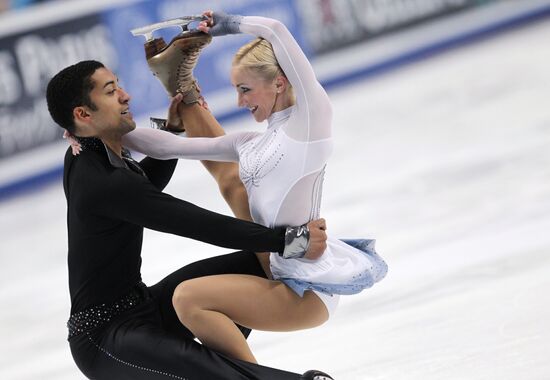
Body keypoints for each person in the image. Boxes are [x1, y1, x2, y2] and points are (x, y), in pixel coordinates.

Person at [118, 11, 388, 365]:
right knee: (232, 182)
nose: (240, 102)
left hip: (307, 288)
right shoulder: (249, 143)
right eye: (236, 90)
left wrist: (225, 24)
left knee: (188, 298)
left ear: (278, 83)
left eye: (245, 90)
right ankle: (181, 86)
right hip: (279, 261)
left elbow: (274, 29)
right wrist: (101, 128)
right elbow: (167, 147)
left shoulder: (310, 123)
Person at [46, 59, 333, 379]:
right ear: (83, 115)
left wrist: (170, 130)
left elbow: (143, 185)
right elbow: (196, 223)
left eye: (119, 84)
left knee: (257, 264)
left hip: (146, 305)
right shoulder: (102, 182)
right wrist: (291, 241)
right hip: (107, 339)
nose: (126, 96)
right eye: (111, 91)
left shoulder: (88, 150)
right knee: (209, 370)